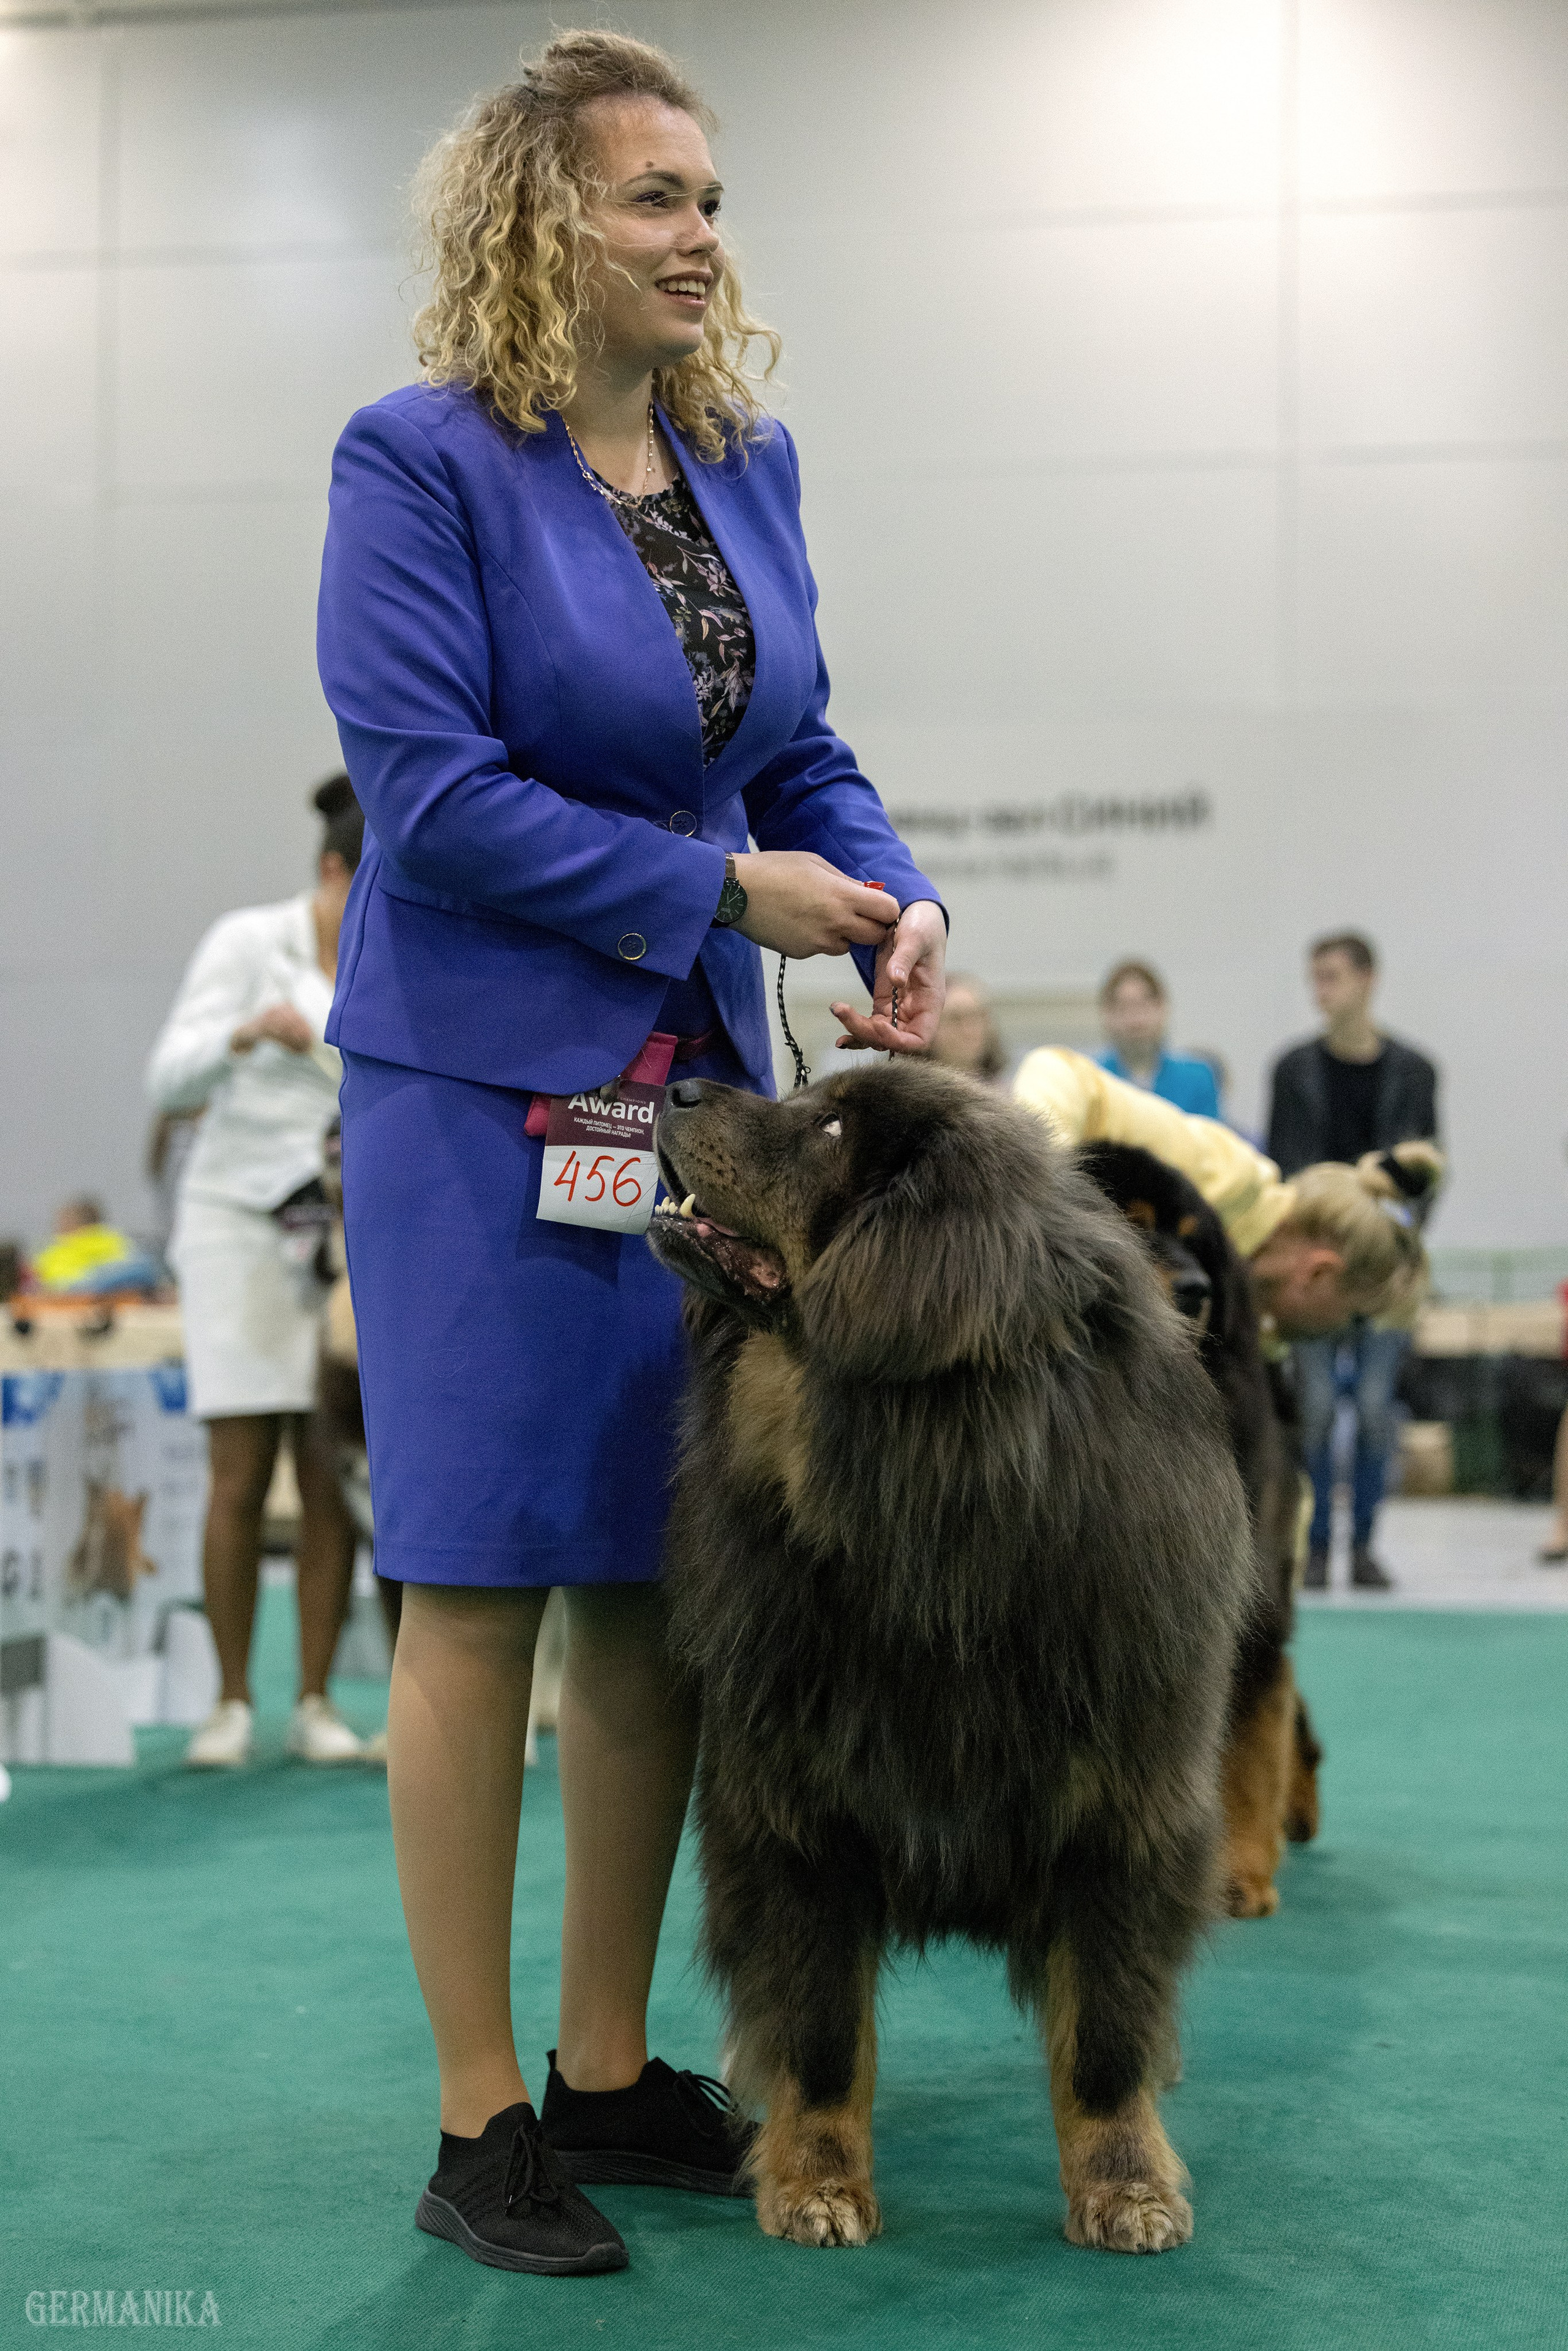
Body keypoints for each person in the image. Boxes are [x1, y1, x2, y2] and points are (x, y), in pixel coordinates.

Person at [317, 33, 946, 2281]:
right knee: (479, 1575)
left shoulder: (737, 462)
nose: (700, 236)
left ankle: (603, 2064)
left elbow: (798, 744)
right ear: (537, 220)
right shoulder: (416, 462)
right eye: (654, 196)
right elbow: (431, 798)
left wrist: (890, 893)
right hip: (475, 1092)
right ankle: (480, 2110)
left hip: (689, 1093)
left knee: (656, 1578)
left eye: (710, 198)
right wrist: (714, 890)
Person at [146, 777, 369, 1768]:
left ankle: (315, 1700)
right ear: (330, 869)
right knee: (238, 1471)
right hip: (236, 1226)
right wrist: (242, 1033)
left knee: (329, 1472)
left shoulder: (385, 957)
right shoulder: (246, 943)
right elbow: (168, 1077)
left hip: (339, 1240)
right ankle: (229, 1701)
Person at [1012, 1046, 1439, 1346]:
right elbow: (1060, 1071)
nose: (1337, 1331)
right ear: (1319, 1271)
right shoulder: (1228, 1177)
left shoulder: (1246, 1323)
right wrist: (1047, 1204)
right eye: (1353, 1318)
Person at [1266, 933, 1441, 1590]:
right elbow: (1283, 1167)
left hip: (1382, 1267)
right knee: (1313, 1407)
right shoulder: (1293, 1070)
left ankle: (1363, 1545)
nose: (1321, 991)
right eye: (1315, 978)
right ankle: (1313, 1546)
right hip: (1314, 1268)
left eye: (1333, 977)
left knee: (1372, 1408)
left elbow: (1424, 1171)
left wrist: (1388, 1248)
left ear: (1368, 980)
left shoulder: (1414, 1072)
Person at [1096, 959, 1220, 1117]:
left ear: (1161, 1008)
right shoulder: (1094, 1082)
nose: (1135, 1020)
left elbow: (1210, 1132)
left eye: (1143, 1006)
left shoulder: (1197, 1079)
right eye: (1123, 1008)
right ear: (1107, 1015)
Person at [31, 1197, 163, 1296]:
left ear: (72, 1223)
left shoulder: (57, 1249)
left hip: (78, 1291)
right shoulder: (115, 1238)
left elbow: (42, 1280)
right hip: (123, 1285)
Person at [929, 972, 1006, 1084]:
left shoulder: (1009, 1088)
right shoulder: (914, 1090)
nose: (969, 1030)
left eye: (975, 1016)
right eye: (955, 1019)